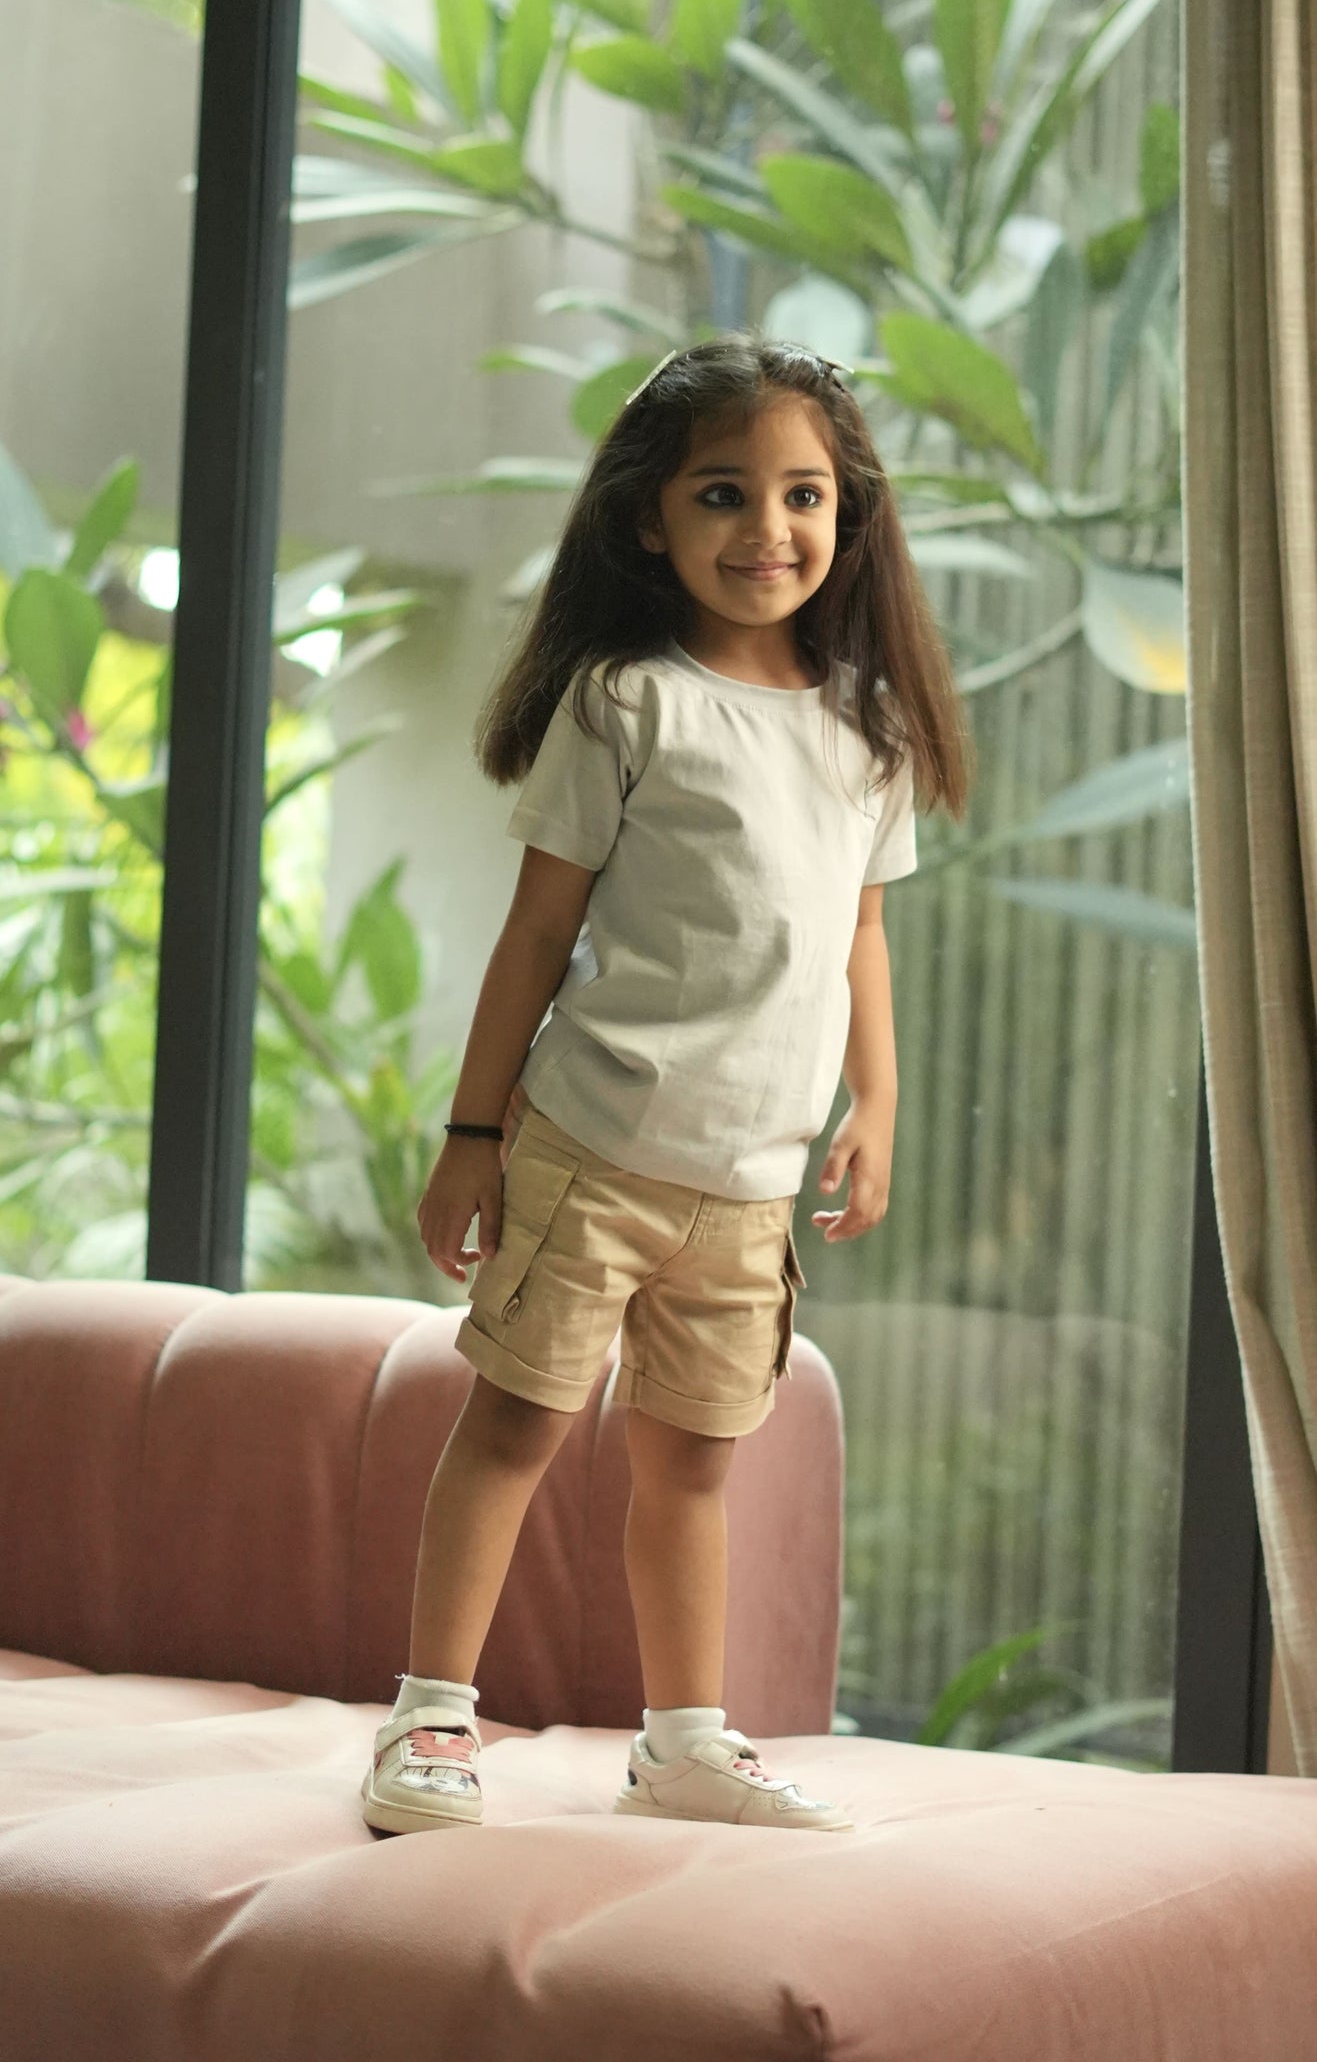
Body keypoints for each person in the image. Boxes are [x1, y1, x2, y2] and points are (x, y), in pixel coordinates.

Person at [361, 331, 971, 1836]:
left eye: (803, 497)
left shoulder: (867, 731)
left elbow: (861, 937)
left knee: (692, 1468)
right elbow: (537, 933)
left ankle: (680, 1744)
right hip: (593, 1148)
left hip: (750, 1185)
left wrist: (875, 1105)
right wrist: (471, 1139)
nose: (767, 531)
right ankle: (432, 1719)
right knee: (511, 1424)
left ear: (849, 518)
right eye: (722, 495)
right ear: (649, 518)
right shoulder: (627, 703)